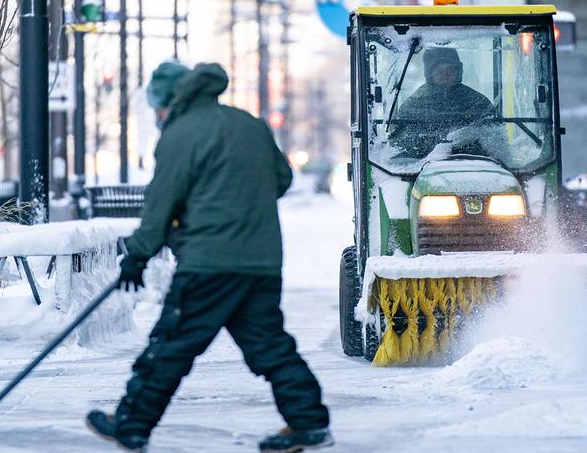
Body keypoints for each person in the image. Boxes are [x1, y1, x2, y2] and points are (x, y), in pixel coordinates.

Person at [86, 61, 332, 453]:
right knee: (270, 345)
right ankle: (309, 423)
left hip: (208, 264)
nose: (157, 115)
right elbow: (282, 180)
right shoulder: (249, 124)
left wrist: (138, 254)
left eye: (157, 107)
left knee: (170, 345)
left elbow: (160, 203)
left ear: (168, 102)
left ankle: (132, 425)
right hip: (260, 262)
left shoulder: (180, 134)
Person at [389, 47, 494, 159]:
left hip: (472, 166)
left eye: (450, 70)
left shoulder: (477, 102)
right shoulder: (414, 103)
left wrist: (463, 141)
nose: (446, 75)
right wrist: (436, 145)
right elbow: (400, 143)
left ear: (458, 71)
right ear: (430, 74)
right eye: (439, 71)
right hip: (421, 167)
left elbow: (494, 139)